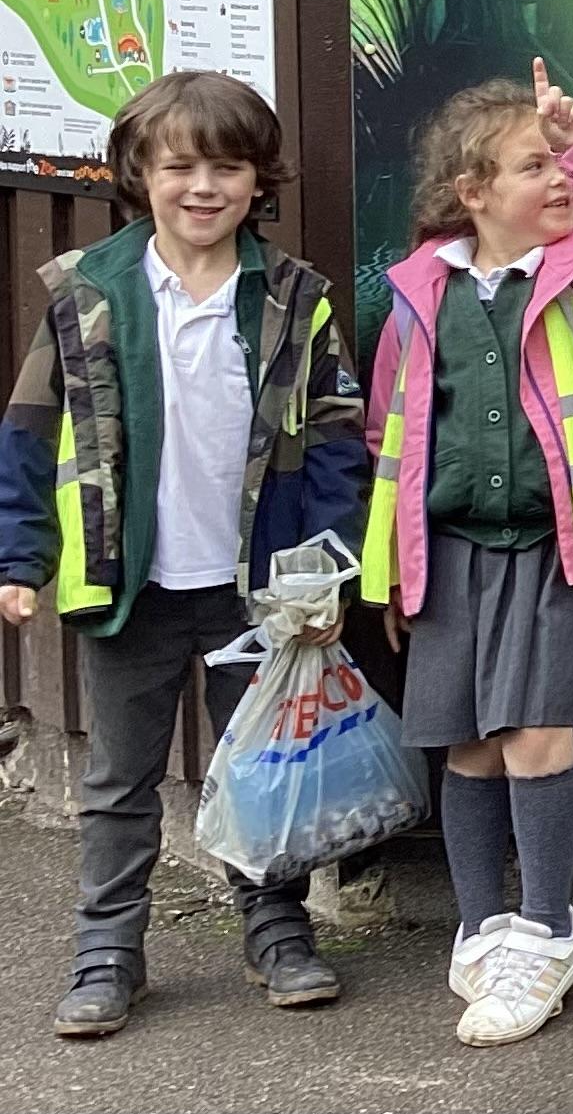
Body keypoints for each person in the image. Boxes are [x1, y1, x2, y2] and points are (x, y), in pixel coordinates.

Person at [0, 71, 369, 1037]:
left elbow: (339, 437)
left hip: (258, 593)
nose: (203, 186)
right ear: (139, 172)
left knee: (263, 771)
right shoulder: (88, 290)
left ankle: (277, 927)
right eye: (180, 166)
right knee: (119, 782)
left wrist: (326, 566)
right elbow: (30, 429)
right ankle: (107, 950)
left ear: (258, 181)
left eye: (228, 167)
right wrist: (19, 556)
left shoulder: (293, 297)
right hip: (130, 585)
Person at [362, 61, 573, 1047]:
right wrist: (394, 567)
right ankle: (481, 927)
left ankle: (546, 931)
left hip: (557, 551)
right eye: (533, 166)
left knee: (539, 738)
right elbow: (389, 433)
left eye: (559, 166)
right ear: (472, 191)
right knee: (466, 742)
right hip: (450, 554)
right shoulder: (419, 293)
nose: (556, 181)